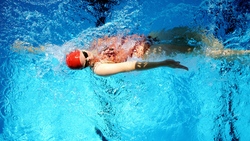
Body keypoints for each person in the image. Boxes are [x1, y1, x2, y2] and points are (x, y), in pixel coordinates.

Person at [65, 27, 249, 76]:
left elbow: (53, 49)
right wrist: (163, 63)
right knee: (199, 52)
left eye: (86, 53)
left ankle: (222, 49)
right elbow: (130, 66)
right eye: (87, 61)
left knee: (197, 31)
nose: (91, 57)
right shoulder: (100, 68)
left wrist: (34, 49)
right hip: (152, 51)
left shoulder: (92, 45)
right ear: (86, 66)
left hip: (150, 38)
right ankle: (244, 55)